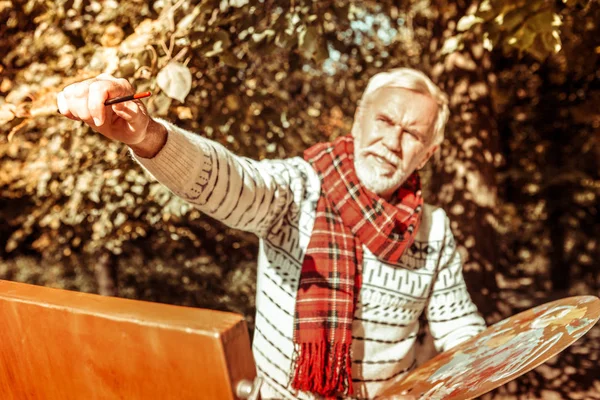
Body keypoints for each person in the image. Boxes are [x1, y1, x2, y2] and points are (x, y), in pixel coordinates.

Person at [57, 68, 487, 399]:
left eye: (412, 134)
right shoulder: (299, 188)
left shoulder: (433, 229)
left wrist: (484, 363)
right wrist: (149, 136)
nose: (393, 141)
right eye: (385, 121)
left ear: (428, 153)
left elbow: (458, 324)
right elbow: (232, 182)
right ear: (358, 122)